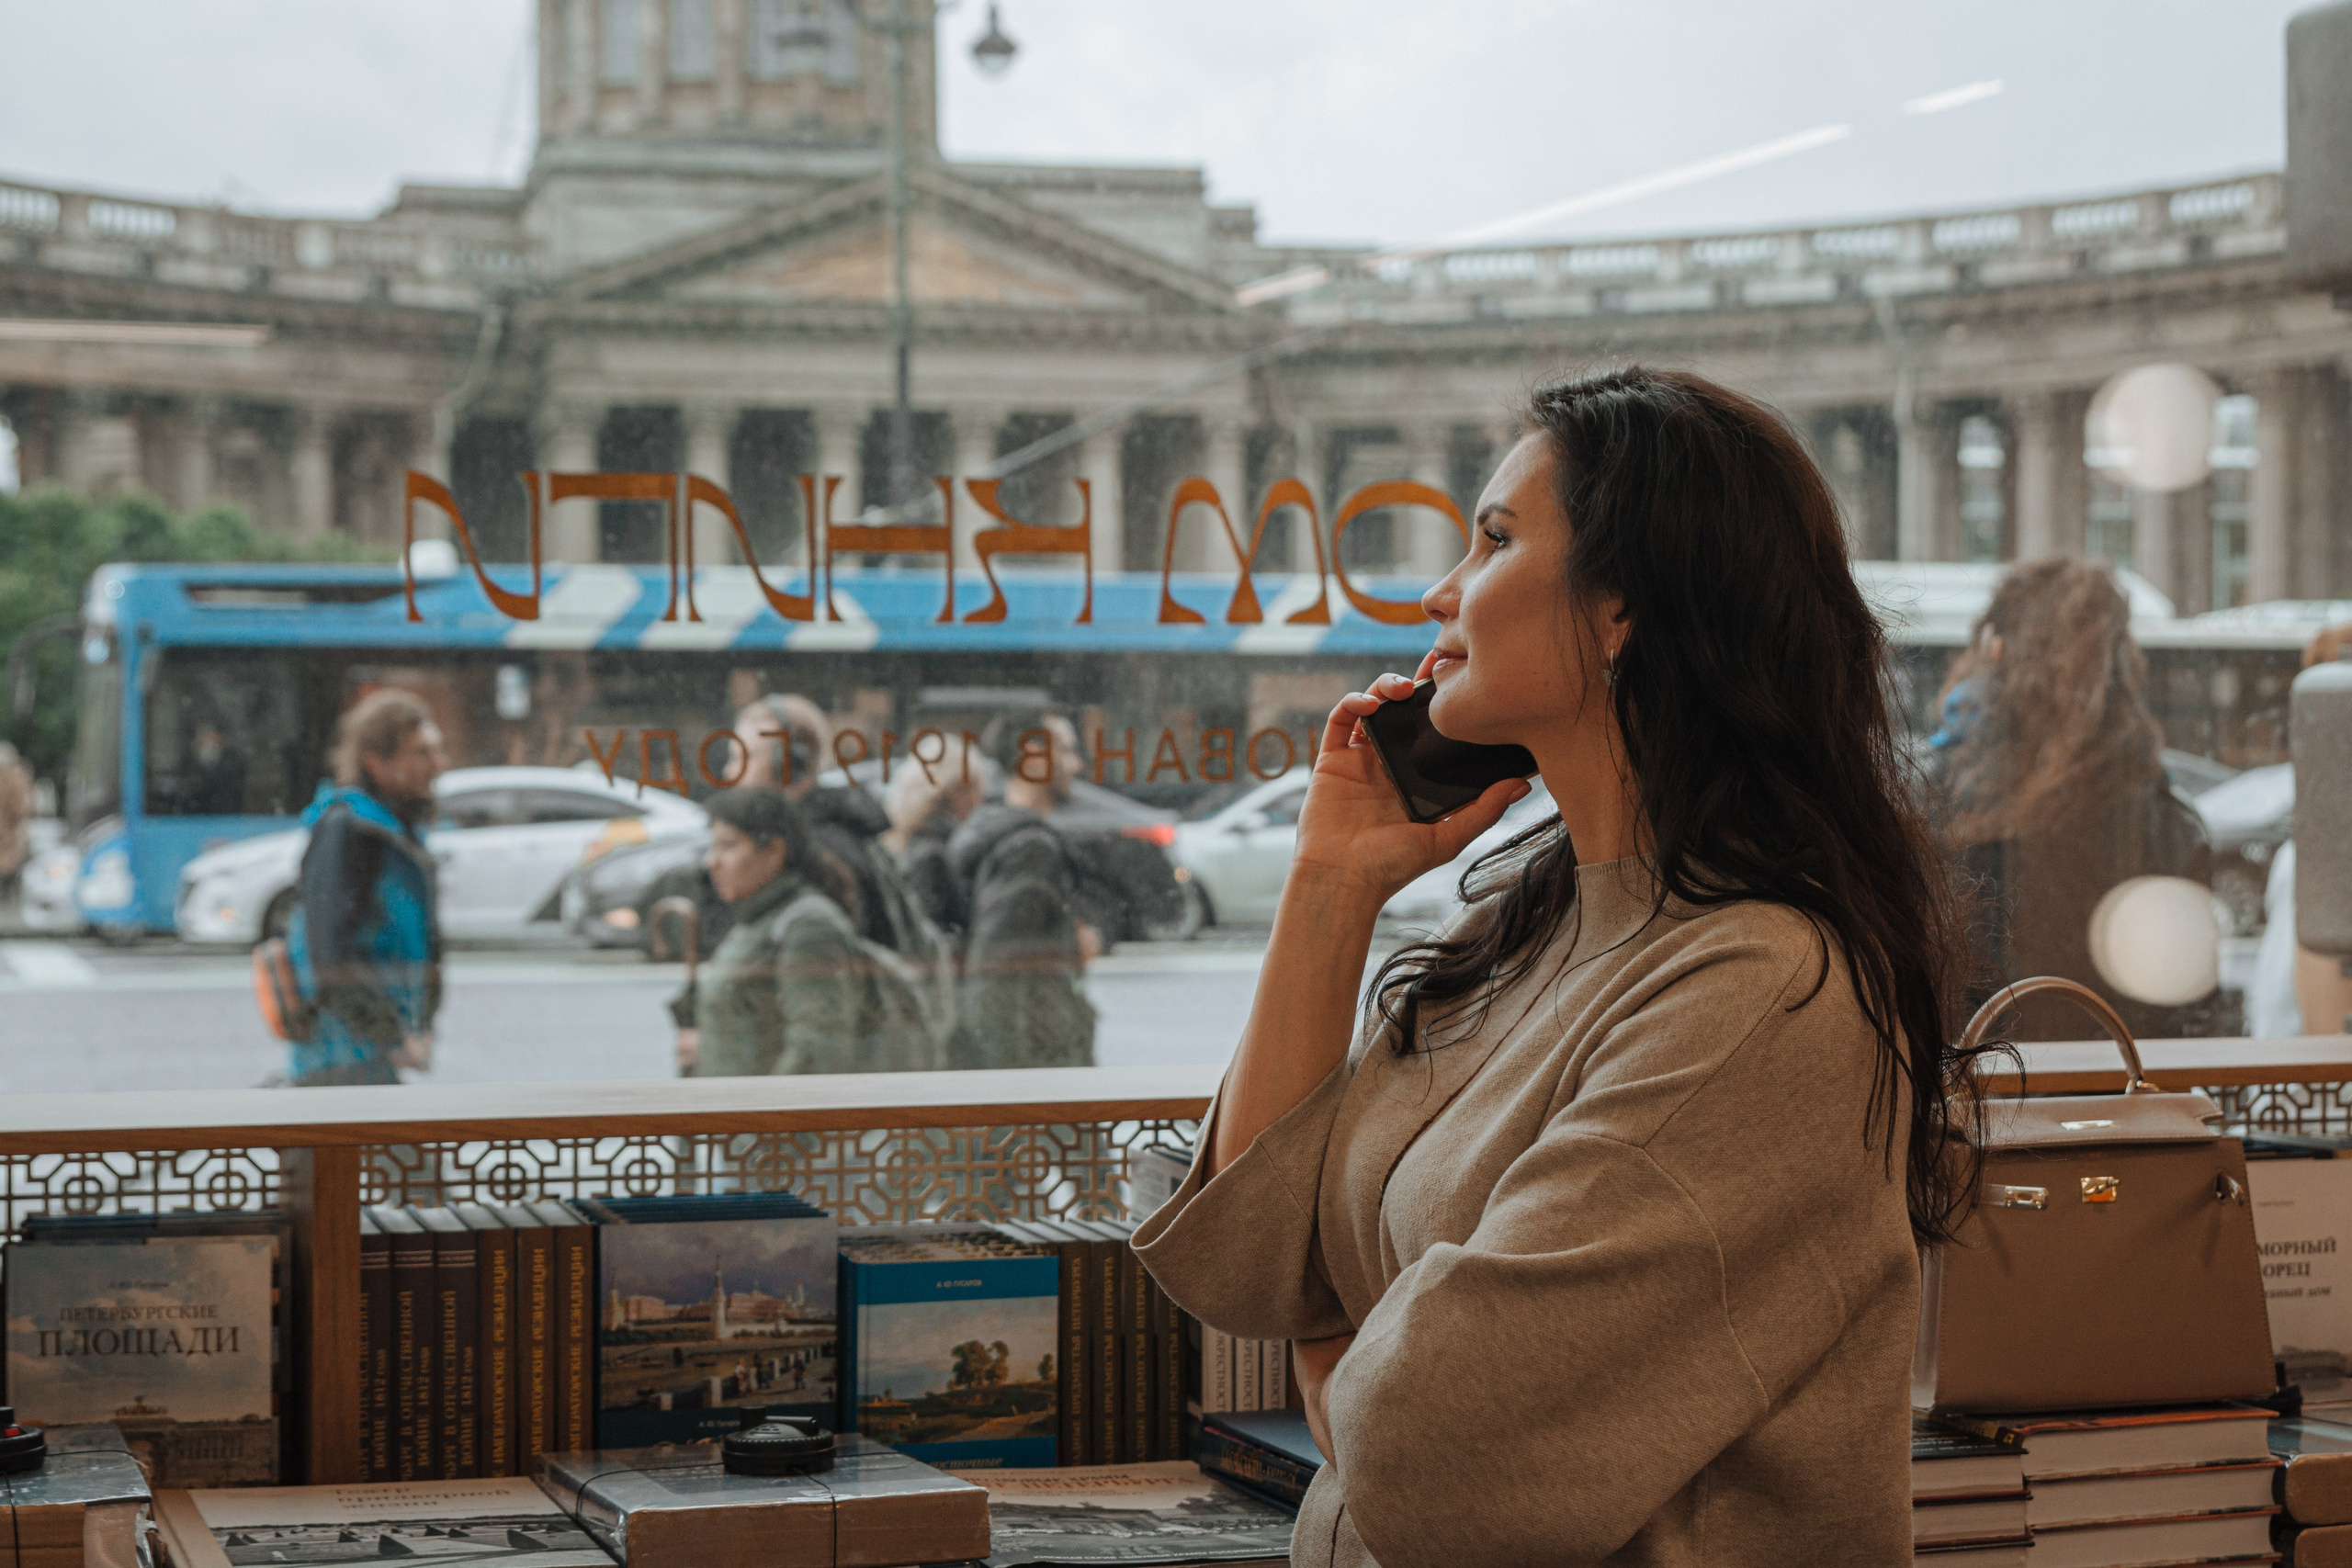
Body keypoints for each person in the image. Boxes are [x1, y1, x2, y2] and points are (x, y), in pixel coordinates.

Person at [1132, 367, 1969, 1567]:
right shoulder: (1524, 938)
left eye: (1494, 539)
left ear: (1623, 604)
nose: (1440, 589)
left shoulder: (1756, 991)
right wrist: (1331, 884)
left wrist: (1334, 1339)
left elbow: (1432, 1456)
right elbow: (1243, 1262)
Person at [1927, 558, 2214, 1040]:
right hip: (2120, 1091)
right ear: (2121, 664)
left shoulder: (1946, 799)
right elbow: (2189, 1012)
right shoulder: (2159, 818)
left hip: (1983, 1098)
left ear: (1997, 652)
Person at [679, 786, 935, 1077]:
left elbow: (817, 1049)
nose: (713, 862)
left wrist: (767, 1117)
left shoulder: (808, 926)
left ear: (774, 851)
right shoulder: (757, 917)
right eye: (713, 848)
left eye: (728, 846)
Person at [286, 689, 446, 1087]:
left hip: (373, 1055)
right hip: (340, 1058)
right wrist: (392, 1036)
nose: (438, 765)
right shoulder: (348, 831)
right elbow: (331, 954)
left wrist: (420, 1024)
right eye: (421, 753)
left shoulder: (392, 832)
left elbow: (422, 944)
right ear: (377, 763)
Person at [944, 714, 1101, 1069]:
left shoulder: (992, 834)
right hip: (1037, 1067)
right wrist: (1015, 1093)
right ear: (1033, 757)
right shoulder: (1031, 850)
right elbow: (996, 973)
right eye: (1067, 751)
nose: (1077, 765)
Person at [0, 740, 33, 895]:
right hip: (10, 830)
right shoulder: (17, 777)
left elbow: (22, 806)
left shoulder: (14, 778)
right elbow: (24, 806)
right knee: (9, 860)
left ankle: (7, 889)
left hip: (9, 829)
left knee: (8, 860)